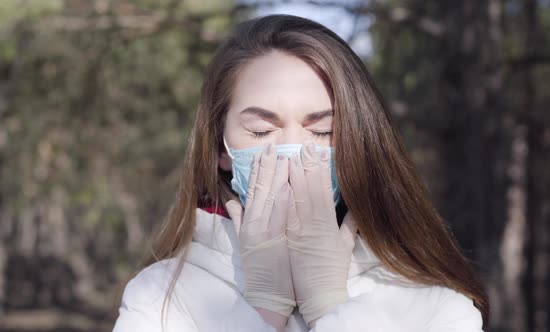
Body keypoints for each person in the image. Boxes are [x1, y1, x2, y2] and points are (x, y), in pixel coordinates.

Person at [112, 14, 488, 332]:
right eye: (262, 131)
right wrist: (261, 311)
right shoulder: (159, 297)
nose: (293, 153)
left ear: (360, 141)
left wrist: (329, 306)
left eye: (322, 131)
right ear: (219, 149)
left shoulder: (435, 304)